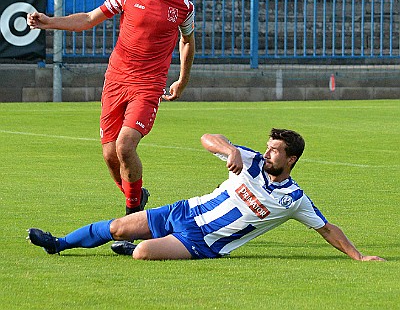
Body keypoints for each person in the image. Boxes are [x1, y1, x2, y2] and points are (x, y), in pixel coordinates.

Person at [27, 129, 385, 262]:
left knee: (142, 253)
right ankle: (58, 243)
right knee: (119, 227)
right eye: (268, 147)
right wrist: (229, 149)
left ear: (291, 159)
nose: (268, 152)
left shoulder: (294, 199)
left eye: (275, 150)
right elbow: (205, 137)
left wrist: (357, 256)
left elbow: (327, 229)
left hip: (202, 241)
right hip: (185, 210)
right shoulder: (251, 161)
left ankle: (142, 244)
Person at [27, 0, 195, 215]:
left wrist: (182, 79)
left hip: (149, 85)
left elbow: (187, 41)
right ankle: (137, 197)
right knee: (109, 155)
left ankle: (133, 218)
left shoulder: (184, 8)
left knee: (125, 145)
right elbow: (89, 19)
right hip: (116, 80)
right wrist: (49, 21)